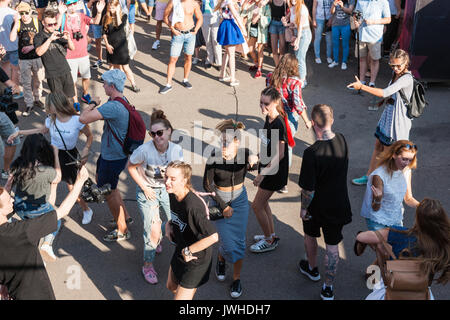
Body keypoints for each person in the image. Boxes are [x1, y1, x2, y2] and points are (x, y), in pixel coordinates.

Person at [0, 166, 89, 300]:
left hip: (15, 292)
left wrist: (4, 284)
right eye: (8, 200)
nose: (12, 200)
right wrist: (80, 181)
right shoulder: (21, 232)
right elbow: (62, 211)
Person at [7, 92, 94, 225]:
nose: (46, 107)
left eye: (48, 104)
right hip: (50, 154)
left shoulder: (77, 120)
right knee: (50, 184)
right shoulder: (51, 119)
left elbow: (89, 136)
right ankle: (48, 213)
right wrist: (19, 132)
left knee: (72, 187)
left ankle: (86, 209)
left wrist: (86, 149)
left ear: (56, 105)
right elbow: (40, 131)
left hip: (69, 156)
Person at [297, 104, 352, 300]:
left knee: (310, 235)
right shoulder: (342, 140)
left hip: (316, 207)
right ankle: (328, 287)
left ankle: (312, 268)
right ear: (332, 120)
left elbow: (308, 189)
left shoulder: (312, 152)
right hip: (337, 205)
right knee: (332, 246)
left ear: (313, 123)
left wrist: (304, 208)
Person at [203, 119, 258, 298]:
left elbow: (257, 165)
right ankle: (221, 257)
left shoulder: (244, 154)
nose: (223, 144)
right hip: (220, 201)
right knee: (227, 242)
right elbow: (207, 185)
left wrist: (255, 160)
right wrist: (223, 206)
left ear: (237, 142)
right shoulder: (213, 157)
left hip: (241, 201)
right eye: (222, 141)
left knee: (239, 243)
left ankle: (236, 279)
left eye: (227, 141)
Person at [128, 110, 184, 285]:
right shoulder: (144, 150)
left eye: (160, 133)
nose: (156, 137)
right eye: (153, 134)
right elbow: (130, 166)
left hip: (168, 191)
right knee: (152, 231)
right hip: (148, 191)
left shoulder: (176, 150)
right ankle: (147, 265)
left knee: (177, 225)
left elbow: (180, 175)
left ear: (169, 132)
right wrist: (144, 186)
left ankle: (184, 258)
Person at [355, 198, 450, 300]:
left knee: (381, 246)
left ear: (418, 218)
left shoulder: (401, 234)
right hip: (421, 290)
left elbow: (361, 237)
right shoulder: (443, 243)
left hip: (393, 286)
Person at [79, 69, 133, 242]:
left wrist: (93, 103)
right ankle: (126, 216)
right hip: (114, 154)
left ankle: (122, 230)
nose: (102, 85)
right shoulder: (120, 100)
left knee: (108, 192)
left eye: (104, 83)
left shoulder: (113, 106)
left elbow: (83, 118)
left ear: (112, 86)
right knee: (113, 188)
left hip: (112, 157)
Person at [348, 49, 414, 186]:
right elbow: (390, 94)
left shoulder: (407, 78)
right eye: (392, 65)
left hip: (398, 122)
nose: (395, 68)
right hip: (389, 116)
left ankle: (388, 185)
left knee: (391, 155)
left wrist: (362, 86)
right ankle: (369, 176)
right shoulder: (396, 74)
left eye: (398, 65)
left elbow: (385, 92)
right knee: (378, 146)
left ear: (406, 62)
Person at [164, 160, 219, 300]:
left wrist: (188, 251)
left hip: (196, 258)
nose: (167, 182)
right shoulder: (172, 194)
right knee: (171, 286)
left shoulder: (193, 206)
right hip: (181, 248)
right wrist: (168, 225)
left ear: (184, 180)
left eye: (173, 179)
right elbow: (178, 217)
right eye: (166, 177)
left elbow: (213, 237)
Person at [5, 134, 62, 262]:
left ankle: (30, 253)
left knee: (31, 233)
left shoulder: (18, 164)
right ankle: (47, 245)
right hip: (38, 209)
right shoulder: (46, 170)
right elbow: (58, 177)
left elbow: (8, 185)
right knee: (57, 219)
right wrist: (56, 154)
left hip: (19, 206)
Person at [250, 87, 290, 253]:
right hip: (267, 167)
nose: (262, 106)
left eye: (266, 104)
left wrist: (261, 174)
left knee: (257, 206)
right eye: (261, 102)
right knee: (263, 203)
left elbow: (280, 154)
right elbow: (269, 144)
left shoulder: (278, 123)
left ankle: (269, 240)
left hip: (273, 172)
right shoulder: (269, 118)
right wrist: (257, 156)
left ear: (275, 103)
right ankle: (271, 235)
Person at [266, 53, 311, 193]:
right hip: (288, 118)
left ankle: (268, 170)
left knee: (272, 143)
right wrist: (307, 121)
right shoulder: (294, 82)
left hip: (273, 115)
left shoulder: (270, 77)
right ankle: (282, 181)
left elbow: (267, 96)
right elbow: (297, 104)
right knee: (286, 149)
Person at [360, 140, 419, 230]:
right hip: (377, 219)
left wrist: (422, 206)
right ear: (394, 155)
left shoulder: (406, 171)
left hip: (396, 218)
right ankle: (364, 239)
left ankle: (364, 239)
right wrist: (378, 199)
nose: (407, 163)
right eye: (404, 159)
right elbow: (374, 208)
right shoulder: (379, 175)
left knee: (398, 244)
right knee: (384, 245)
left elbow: (408, 198)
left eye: (410, 160)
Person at [62, 0, 106, 112]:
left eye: (73, 3)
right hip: (70, 55)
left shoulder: (81, 16)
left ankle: (85, 94)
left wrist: (99, 12)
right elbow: (58, 28)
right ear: (66, 5)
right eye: (69, 4)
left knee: (86, 76)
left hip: (83, 53)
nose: (71, 6)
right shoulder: (62, 17)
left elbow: (95, 21)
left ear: (77, 4)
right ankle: (75, 100)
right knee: (73, 80)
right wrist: (60, 14)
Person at [34, 9, 76, 108]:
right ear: (43, 23)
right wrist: (50, 39)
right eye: (49, 24)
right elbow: (39, 52)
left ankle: (70, 119)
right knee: (59, 102)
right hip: (53, 74)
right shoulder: (39, 37)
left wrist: (69, 38)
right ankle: (59, 120)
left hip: (65, 70)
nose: (53, 26)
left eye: (54, 24)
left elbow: (72, 48)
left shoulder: (58, 33)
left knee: (70, 98)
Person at [9, 1, 45, 117]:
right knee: (26, 82)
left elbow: (43, 39)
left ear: (31, 12)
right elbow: (12, 38)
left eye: (26, 12)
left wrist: (32, 47)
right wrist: (15, 22)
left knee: (38, 79)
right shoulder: (17, 23)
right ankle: (29, 103)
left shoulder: (36, 22)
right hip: (23, 59)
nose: (24, 15)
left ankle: (37, 98)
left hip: (37, 56)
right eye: (21, 13)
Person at [159, 0, 203, 94]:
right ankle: (168, 84)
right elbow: (165, 17)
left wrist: (196, 30)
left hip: (190, 34)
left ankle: (185, 80)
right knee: (173, 59)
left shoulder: (193, 3)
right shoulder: (173, 2)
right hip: (177, 34)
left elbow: (200, 18)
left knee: (188, 57)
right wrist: (172, 29)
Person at [102, 0, 140, 93]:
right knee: (115, 67)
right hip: (111, 47)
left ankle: (133, 84)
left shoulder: (124, 16)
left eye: (113, 7)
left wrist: (117, 14)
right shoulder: (106, 17)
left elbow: (119, 25)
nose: (111, 9)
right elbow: (104, 32)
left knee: (126, 67)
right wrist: (107, 44)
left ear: (117, 7)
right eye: (110, 7)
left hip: (122, 47)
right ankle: (118, 86)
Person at [353, 0, 391, 87]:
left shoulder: (383, 2)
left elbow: (388, 19)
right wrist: (356, 21)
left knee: (374, 60)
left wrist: (373, 22)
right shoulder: (360, 1)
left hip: (375, 36)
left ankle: (372, 83)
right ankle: (362, 81)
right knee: (362, 59)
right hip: (361, 34)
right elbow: (357, 14)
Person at [215, 0, 247, 86]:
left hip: (225, 25)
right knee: (231, 54)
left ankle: (222, 74)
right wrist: (243, 29)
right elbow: (236, 16)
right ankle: (232, 79)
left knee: (227, 52)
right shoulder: (229, 2)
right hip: (230, 26)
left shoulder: (223, 2)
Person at [281, 0, 311, 88]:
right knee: (298, 57)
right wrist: (285, 22)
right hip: (297, 32)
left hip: (304, 34)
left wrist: (297, 40)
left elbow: (301, 27)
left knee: (300, 58)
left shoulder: (302, 9)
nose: (293, 0)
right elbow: (292, 24)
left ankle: (302, 80)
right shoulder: (292, 8)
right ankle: (299, 77)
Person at [242, 0, 271, 78]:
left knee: (260, 50)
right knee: (250, 49)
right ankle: (256, 63)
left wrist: (259, 16)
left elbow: (268, 19)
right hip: (251, 29)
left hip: (261, 31)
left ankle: (259, 69)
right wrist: (245, 5)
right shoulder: (252, 5)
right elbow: (243, 14)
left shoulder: (266, 6)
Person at [0, 0, 22, 99]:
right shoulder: (13, 13)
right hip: (13, 46)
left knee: (5, 69)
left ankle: (7, 91)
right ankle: (15, 91)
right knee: (15, 69)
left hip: (1, 47)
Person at [328, 0, 354, 70]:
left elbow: (350, 11)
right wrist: (333, 5)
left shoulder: (350, 1)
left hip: (345, 25)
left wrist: (342, 6)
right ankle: (335, 61)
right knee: (335, 43)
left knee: (345, 44)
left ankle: (344, 62)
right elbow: (332, 12)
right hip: (335, 25)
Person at [200, 0, 222, 68]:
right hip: (204, 16)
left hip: (216, 17)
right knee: (207, 40)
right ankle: (210, 60)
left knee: (216, 41)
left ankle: (219, 62)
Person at [87, 0, 108, 69]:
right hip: (96, 22)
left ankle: (111, 62)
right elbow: (88, 6)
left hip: (107, 22)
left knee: (109, 42)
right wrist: (92, 1)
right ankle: (100, 60)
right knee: (97, 42)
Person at [312, 0, 333, 65]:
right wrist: (314, 20)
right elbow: (314, 7)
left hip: (329, 19)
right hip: (319, 19)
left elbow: (333, 7)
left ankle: (328, 56)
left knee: (329, 39)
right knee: (318, 38)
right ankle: (317, 56)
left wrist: (331, 19)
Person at [268, 0, 286, 66]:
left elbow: (291, 11)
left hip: (282, 25)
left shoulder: (285, 2)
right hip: (273, 24)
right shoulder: (271, 1)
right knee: (274, 49)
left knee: (282, 49)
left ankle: (280, 69)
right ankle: (277, 67)